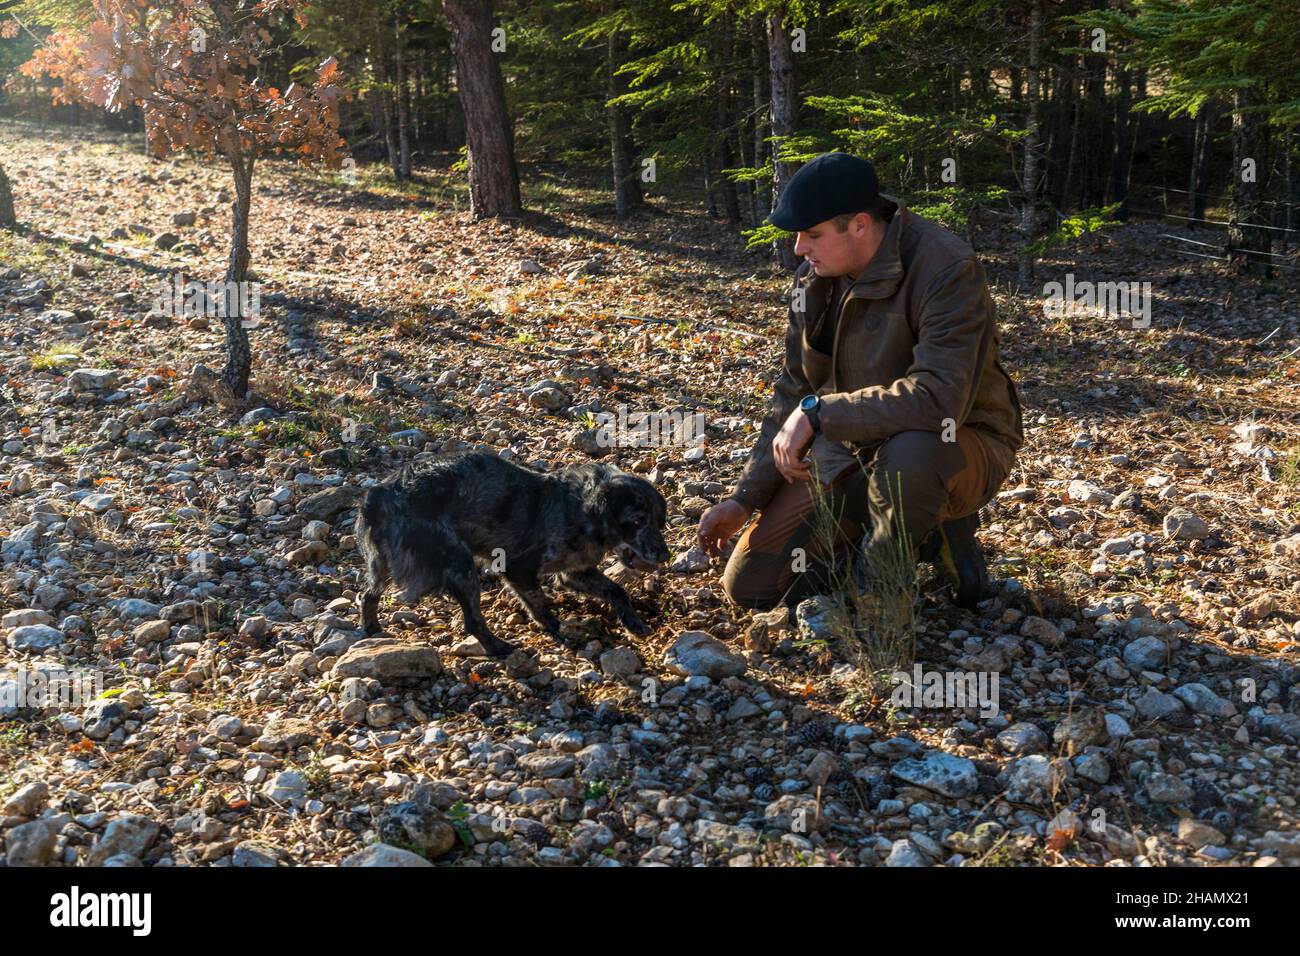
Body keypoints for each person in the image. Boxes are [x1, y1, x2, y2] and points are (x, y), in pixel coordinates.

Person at [697, 152, 1024, 611]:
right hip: (851, 448)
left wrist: (820, 414)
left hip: (957, 444)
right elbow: (794, 386)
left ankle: (886, 585)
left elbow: (939, 400)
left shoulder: (946, 267)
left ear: (861, 225)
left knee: (913, 452)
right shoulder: (814, 278)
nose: (798, 249)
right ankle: (916, 537)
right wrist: (745, 498)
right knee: (754, 585)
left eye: (812, 235)